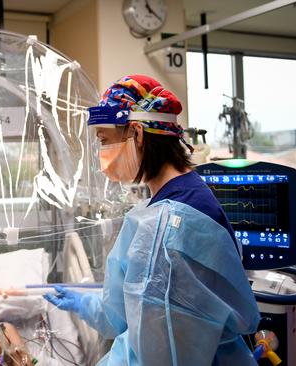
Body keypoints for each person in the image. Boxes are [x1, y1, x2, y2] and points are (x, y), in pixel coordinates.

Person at [44, 75, 260, 365]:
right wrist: (84, 303)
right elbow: (124, 315)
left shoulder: (172, 225)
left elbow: (158, 354)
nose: (102, 155)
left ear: (137, 133)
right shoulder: (181, 197)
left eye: (105, 142)